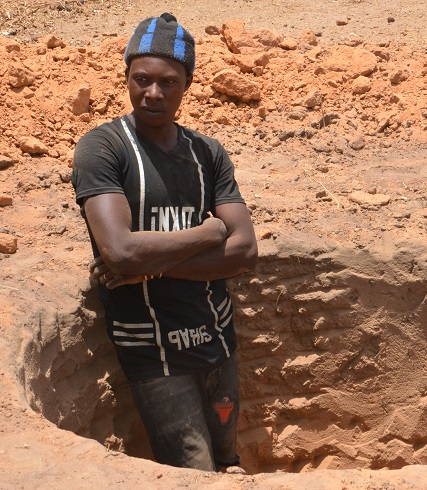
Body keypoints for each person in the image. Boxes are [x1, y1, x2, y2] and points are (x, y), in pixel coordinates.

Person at [71, 13, 257, 472]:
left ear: (187, 85)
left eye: (168, 82)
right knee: (193, 472)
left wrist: (146, 266)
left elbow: (245, 251)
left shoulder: (207, 153)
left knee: (228, 462)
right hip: (153, 351)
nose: (152, 93)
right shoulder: (104, 149)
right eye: (142, 79)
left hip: (217, 337)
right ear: (127, 77)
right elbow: (120, 251)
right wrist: (208, 232)